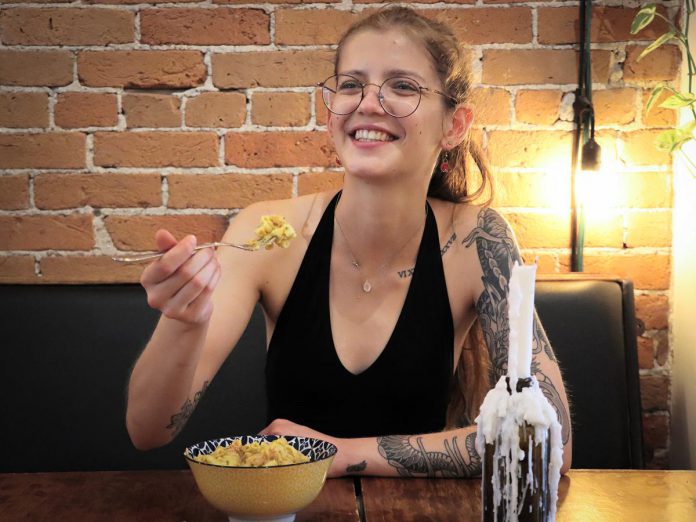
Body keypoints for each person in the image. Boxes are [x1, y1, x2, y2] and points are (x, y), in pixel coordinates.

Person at [126, 6, 572, 478]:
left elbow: (552, 441)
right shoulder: (267, 232)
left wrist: (341, 454)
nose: (369, 103)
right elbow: (147, 430)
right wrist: (184, 321)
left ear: (454, 126)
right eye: (351, 85)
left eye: (403, 86)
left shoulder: (477, 240)